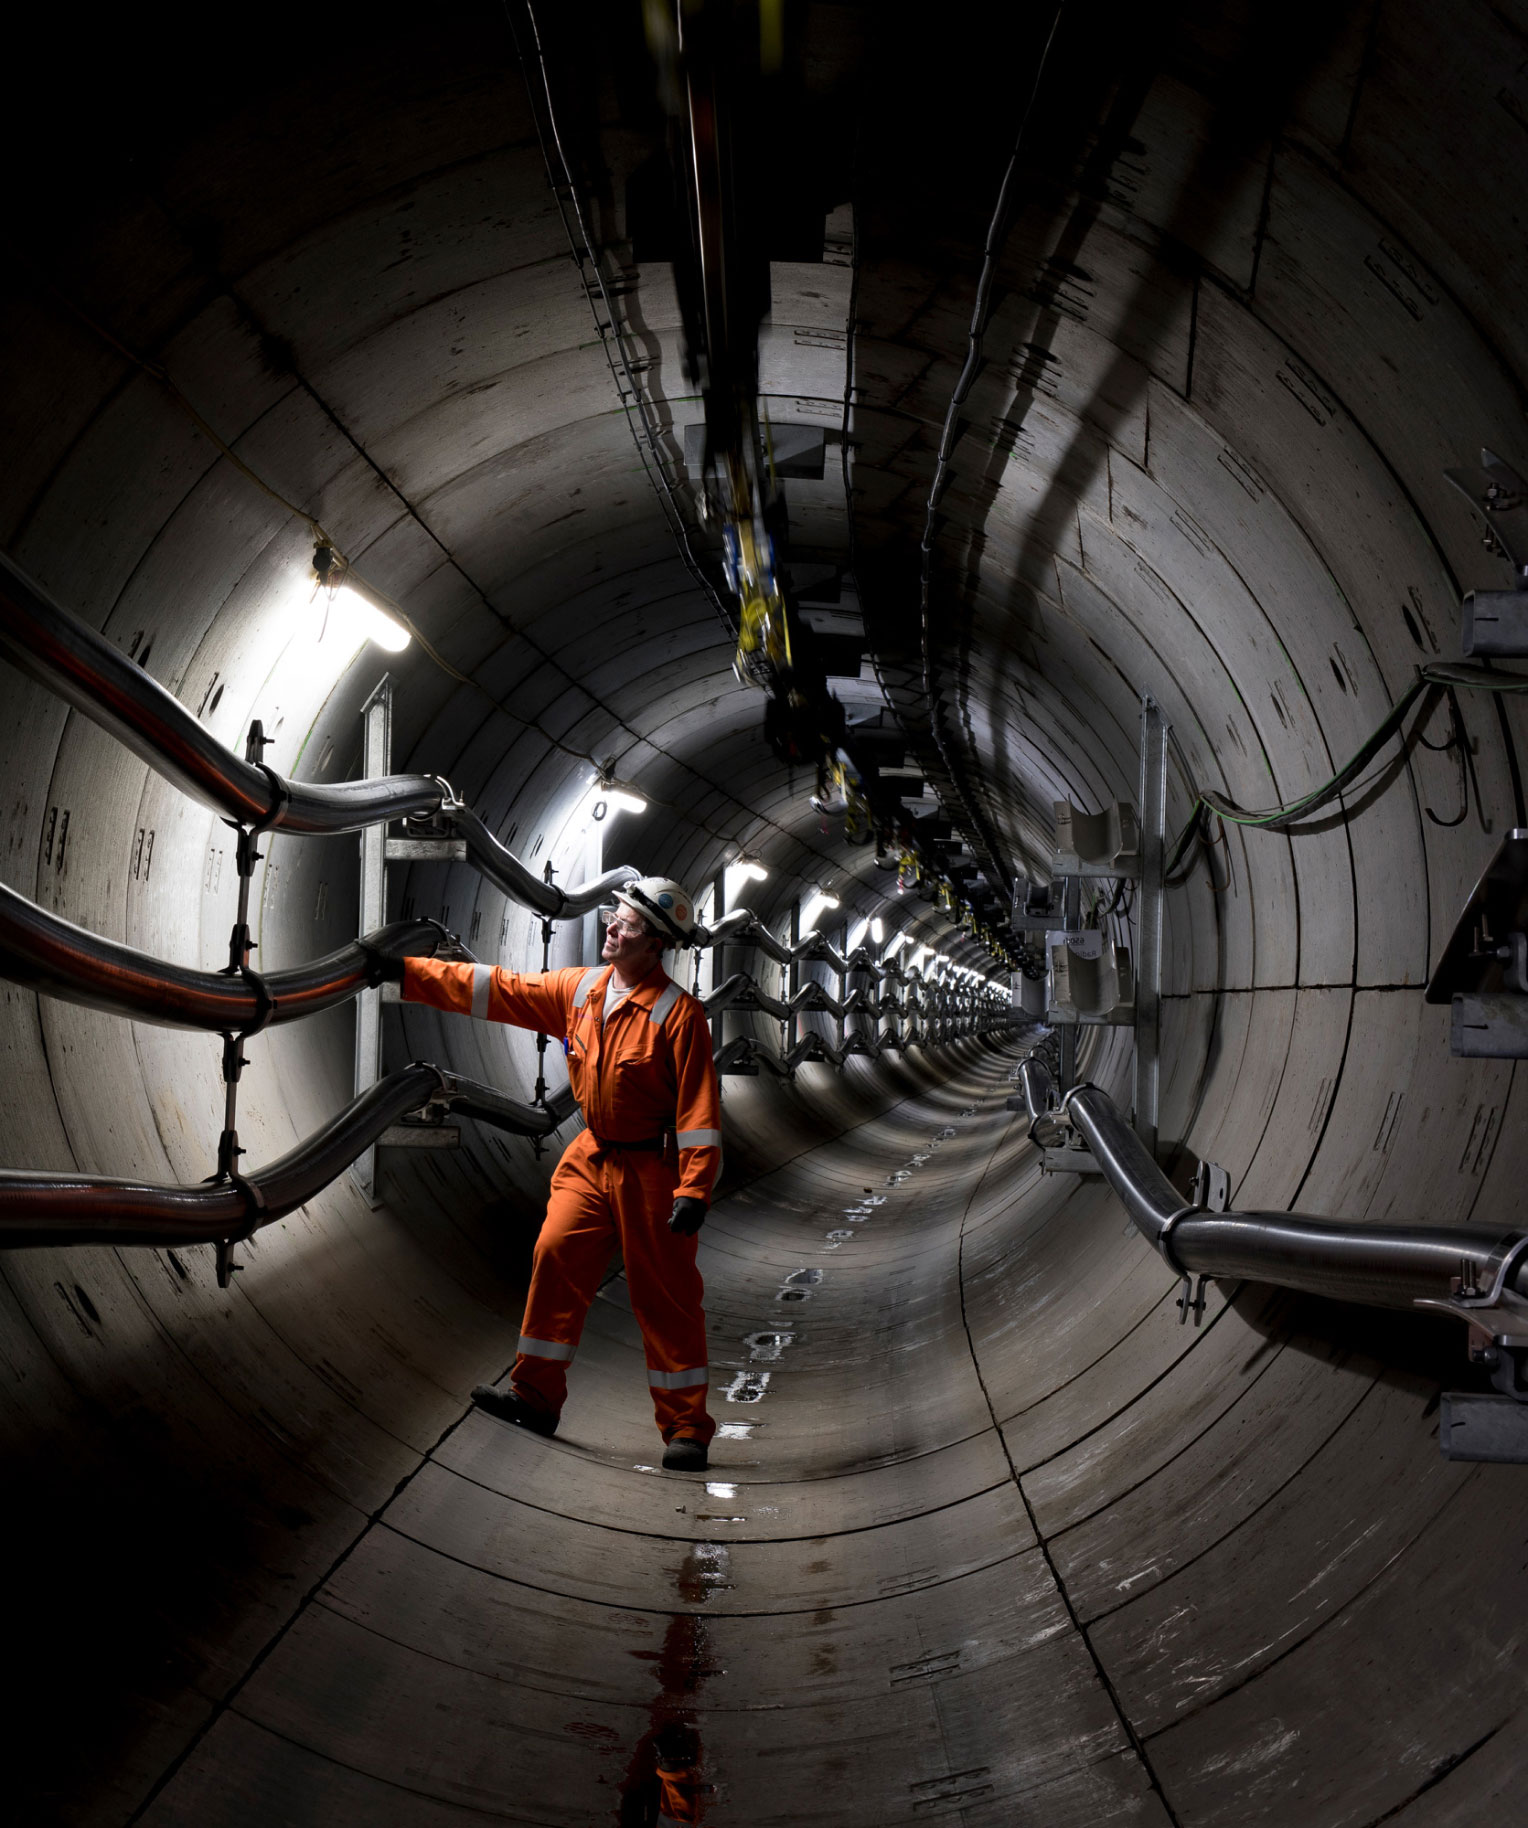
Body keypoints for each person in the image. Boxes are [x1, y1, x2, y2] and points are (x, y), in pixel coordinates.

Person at [370, 877, 722, 1472]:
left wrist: (693, 1188)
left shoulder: (678, 1017)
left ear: (656, 944)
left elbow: (698, 1113)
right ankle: (534, 1396)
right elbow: (498, 989)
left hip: (652, 1169)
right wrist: (406, 973)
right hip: (592, 1157)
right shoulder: (581, 991)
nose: (611, 926)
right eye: (614, 915)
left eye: (628, 925)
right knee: (555, 1255)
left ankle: (686, 1427)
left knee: (664, 1297)